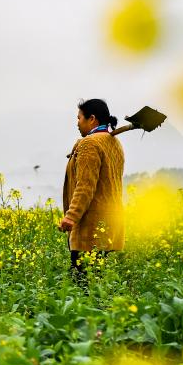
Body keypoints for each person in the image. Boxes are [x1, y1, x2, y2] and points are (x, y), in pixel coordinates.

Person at [59, 98, 125, 284]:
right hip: (109, 225)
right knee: (99, 284)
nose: (77, 123)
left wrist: (71, 216)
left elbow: (85, 186)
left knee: (82, 286)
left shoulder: (90, 144)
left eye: (79, 118)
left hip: (90, 228)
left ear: (92, 119)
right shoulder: (114, 143)